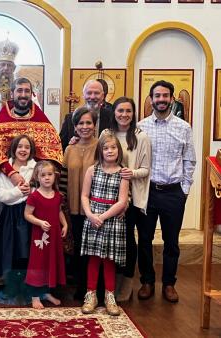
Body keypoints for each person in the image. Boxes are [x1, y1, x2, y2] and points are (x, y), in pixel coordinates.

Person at [137, 80, 196, 303]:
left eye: (165, 96)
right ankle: (147, 281)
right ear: (151, 99)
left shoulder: (184, 127)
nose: (161, 100)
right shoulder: (141, 126)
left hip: (173, 192)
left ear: (172, 99)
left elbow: (190, 160)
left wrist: (185, 189)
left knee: (172, 241)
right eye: (157, 96)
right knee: (144, 239)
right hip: (148, 192)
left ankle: (169, 283)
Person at [104, 97, 151, 302]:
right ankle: (111, 283)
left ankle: (128, 283)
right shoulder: (106, 134)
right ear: (113, 112)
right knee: (111, 240)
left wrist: (129, 173)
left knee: (127, 240)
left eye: (128, 111)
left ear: (133, 114)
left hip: (131, 196)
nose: (124, 114)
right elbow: (100, 159)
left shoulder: (141, 137)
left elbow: (146, 169)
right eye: (120, 110)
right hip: (108, 195)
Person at [80, 132, 129, 316]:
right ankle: (91, 295)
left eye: (113, 147)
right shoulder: (92, 170)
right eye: (106, 148)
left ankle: (110, 296)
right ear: (100, 150)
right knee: (93, 258)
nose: (109, 151)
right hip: (93, 218)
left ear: (119, 150)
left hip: (111, 220)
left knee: (109, 259)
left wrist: (103, 216)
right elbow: (85, 195)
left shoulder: (123, 172)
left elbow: (122, 201)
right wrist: (91, 215)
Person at [0, 135, 36, 303]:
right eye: (20, 147)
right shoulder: (6, 169)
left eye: (27, 147)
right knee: (8, 248)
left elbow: (37, 191)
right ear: (13, 149)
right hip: (9, 215)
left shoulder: (35, 167)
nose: (23, 150)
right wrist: (19, 192)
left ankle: (25, 285)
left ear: (31, 150)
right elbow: (0, 194)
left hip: (29, 214)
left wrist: (26, 193)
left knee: (25, 250)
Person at [0, 77, 63, 181]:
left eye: (27, 91)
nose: (23, 95)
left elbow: (53, 153)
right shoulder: (2, 121)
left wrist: (37, 176)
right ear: (12, 94)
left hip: (37, 179)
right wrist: (12, 174)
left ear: (31, 94)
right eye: (19, 90)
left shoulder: (41, 121)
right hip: (8, 179)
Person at [61, 107, 99, 300]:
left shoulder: (101, 147)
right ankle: (80, 284)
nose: (85, 127)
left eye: (88, 123)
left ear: (94, 125)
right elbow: (63, 179)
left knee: (93, 248)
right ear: (75, 127)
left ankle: (93, 287)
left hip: (95, 209)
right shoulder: (69, 149)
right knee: (77, 247)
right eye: (81, 123)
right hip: (74, 207)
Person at [24, 160, 68, 309]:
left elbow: (59, 211)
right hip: (40, 237)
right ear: (37, 177)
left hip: (54, 236)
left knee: (51, 262)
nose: (47, 178)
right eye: (43, 175)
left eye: (50, 174)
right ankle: (35, 296)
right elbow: (27, 214)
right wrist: (40, 222)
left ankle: (46, 292)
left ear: (54, 176)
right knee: (39, 263)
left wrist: (65, 224)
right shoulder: (35, 196)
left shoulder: (57, 195)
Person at [59, 79, 114, 150]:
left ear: (103, 96)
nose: (92, 97)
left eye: (96, 93)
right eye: (89, 93)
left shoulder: (111, 117)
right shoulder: (69, 118)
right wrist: (71, 146)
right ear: (83, 95)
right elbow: (60, 147)